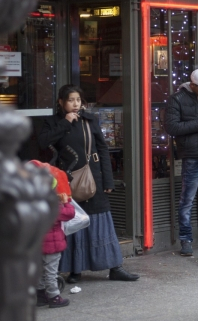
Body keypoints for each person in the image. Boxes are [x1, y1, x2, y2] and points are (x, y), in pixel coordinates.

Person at [39, 84, 139, 282]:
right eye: (71, 100)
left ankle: (114, 267)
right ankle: (75, 269)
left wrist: (108, 179)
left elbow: (103, 149)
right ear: (61, 102)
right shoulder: (52, 122)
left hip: (93, 177)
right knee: (74, 222)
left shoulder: (89, 119)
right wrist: (65, 123)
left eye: (78, 100)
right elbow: (43, 143)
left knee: (101, 221)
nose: (75, 104)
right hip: (67, 180)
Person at [164, 68, 198, 256]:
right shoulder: (177, 99)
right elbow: (171, 127)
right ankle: (186, 239)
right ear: (192, 85)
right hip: (192, 155)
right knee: (187, 200)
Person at [31, 161, 75, 308]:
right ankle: (54, 297)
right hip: (53, 245)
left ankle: (40, 295)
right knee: (51, 272)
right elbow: (70, 214)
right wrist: (66, 202)